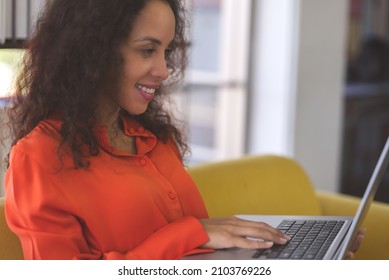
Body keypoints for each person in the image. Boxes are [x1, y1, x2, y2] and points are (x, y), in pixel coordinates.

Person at [3, 0, 363, 260]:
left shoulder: (153, 138)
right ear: (92, 52)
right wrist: (191, 234)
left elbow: (197, 256)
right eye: (147, 50)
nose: (163, 69)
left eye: (166, 51)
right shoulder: (39, 158)